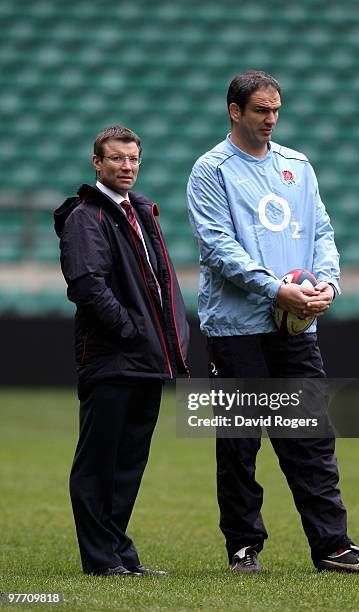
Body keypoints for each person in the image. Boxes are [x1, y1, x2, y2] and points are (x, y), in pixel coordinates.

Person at [187, 71, 359, 574]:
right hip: (237, 327)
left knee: (311, 438)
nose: (270, 119)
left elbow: (321, 231)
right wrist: (276, 288)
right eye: (260, 110)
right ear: (235, 111)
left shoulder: (298, 166)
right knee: (240, 443)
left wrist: (326, 284)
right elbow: (218, 249)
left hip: (297, 324)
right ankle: (243, 548)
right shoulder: (210, 171)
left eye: (276, 110)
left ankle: (333, 547)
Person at [54, 125, 189, 576]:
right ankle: (100, 560)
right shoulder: (85, 217)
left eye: (132, 159)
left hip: (144, 361)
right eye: (116, 159)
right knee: (98, 464)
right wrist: (131, 330)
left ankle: (119, 556)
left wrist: (161, 340)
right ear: (97, 163)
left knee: (128, 464)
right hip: (112, 359)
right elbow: (87, 286)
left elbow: (157, 284)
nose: (126, 167)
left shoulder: (141, 211)